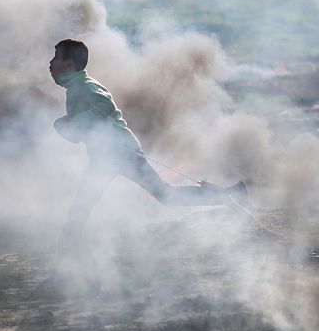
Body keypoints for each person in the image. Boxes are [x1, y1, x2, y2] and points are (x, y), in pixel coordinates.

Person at [49, 38, 247, 252]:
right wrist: (66, 125)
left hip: (119, 153)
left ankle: (64, 255)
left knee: (89, 204)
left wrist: (71, 123)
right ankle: (230, 194)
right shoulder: (78, 87)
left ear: (69, 64)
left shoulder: (83, 87)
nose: (50, 64)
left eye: (55, 58)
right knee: (159, 195)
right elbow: (83, 129)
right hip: (107, 155)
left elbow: (104, 105)